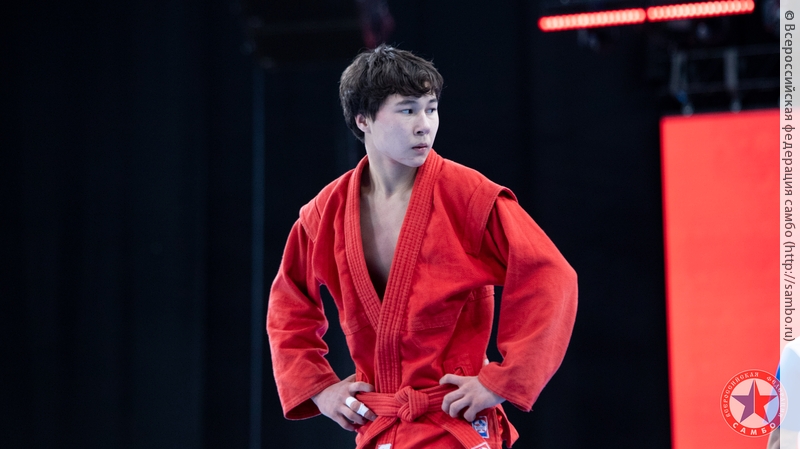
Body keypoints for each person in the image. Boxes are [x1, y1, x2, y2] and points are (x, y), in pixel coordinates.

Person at [267, 44, 578, 449]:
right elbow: (288, 306)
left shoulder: (467, 195)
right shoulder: (326, 212)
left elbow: (551, 276)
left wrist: (503, 380)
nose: (424, 125)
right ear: (363, 119)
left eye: (431, 109)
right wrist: (319, 388)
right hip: (384, 427)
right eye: (408, 110)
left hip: (452, 421)